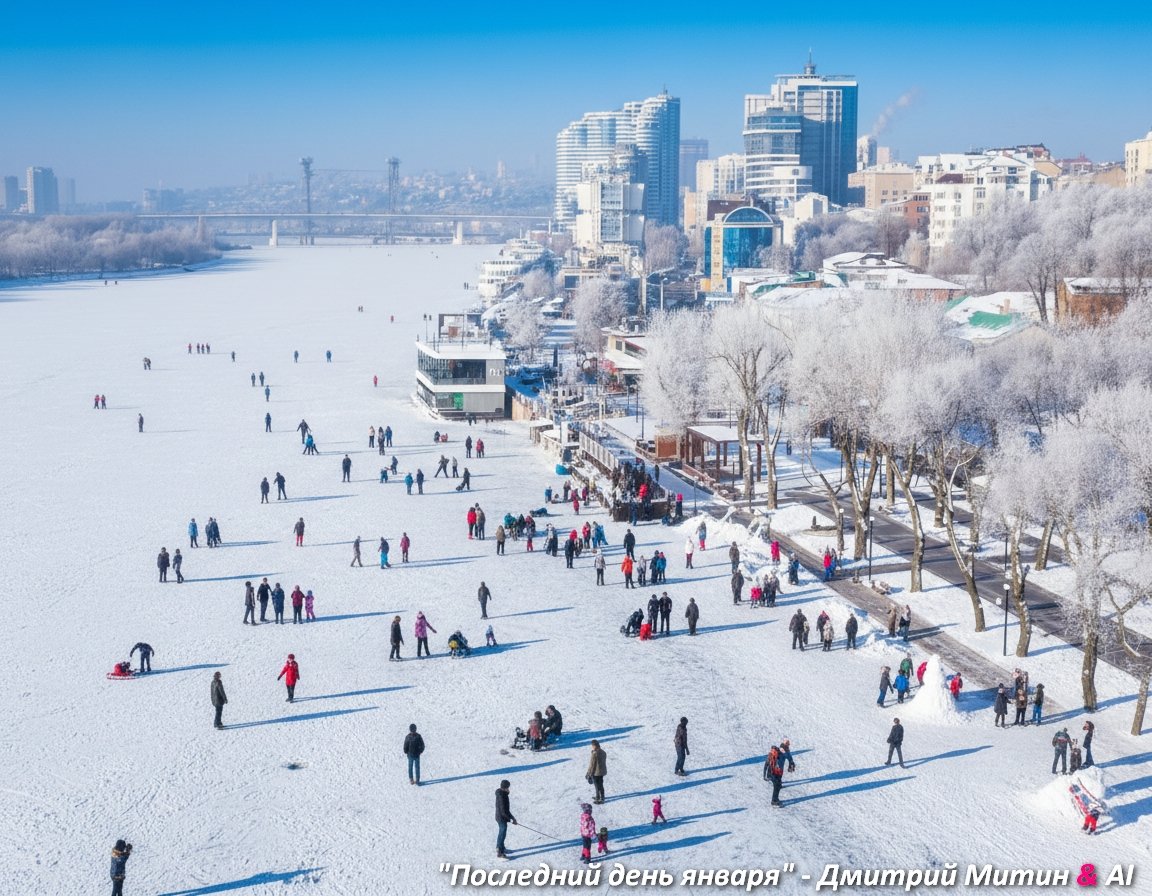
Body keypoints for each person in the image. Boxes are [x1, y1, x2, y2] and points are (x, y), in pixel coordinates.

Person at [495, 779, 517, 859]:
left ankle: (501, 848)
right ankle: (499, 851)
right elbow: (503, 811)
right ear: (504, 787)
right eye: (508, 787)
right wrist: (511, 820)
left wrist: (513, 818)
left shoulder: (503, 794)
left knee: (502, 832)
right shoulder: (501, 796)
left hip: (501, 817)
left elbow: (506, 810)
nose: (509, 788)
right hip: (501, 818)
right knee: (502, 833)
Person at [764, 742, 786, 807]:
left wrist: (764, 776)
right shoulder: (779, 755)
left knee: (777, 786)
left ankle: (775, 799)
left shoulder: (771, 756)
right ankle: (774, 801)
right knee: (777, 787)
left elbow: (766, 766)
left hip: (774, 773)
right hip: (775, 774)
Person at [587, 740, 607, 804]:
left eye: (592, 746)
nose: (592, 747)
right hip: (602, 772)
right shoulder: (603, 752)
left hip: (596, 773)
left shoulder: (594, 753)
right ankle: (600, 796)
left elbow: (592, 765)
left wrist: (589, 773)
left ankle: (600, 799)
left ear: (594, 746)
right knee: (601, 784)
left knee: (597, 786)